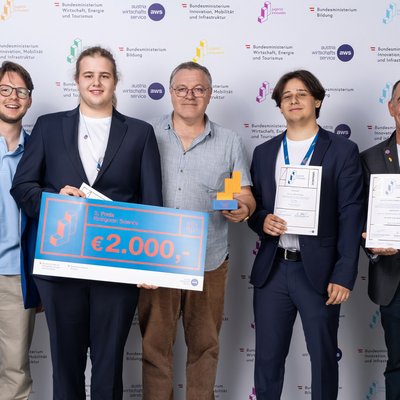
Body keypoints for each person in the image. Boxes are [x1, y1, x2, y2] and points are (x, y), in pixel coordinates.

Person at [11, 47, 162, 400]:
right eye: (89, 75)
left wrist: (150, 264)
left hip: (117, 268)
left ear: (115, 81)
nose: (96, 82)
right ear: (77, 80)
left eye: (104, 75)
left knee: (109, 367)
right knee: (66, 367)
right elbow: (23, 187)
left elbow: (151, 203)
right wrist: (53, 200)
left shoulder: (140, 133)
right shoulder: (49, 126)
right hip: (61, 267)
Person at [138, 61, 255, 400]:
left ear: (210, 94)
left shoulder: (229, 141)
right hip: (156, 259)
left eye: (198, 89)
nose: (190, 95)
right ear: (170, 93)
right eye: (182, 89)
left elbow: (244, 194)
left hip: (209, 260)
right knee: (154, 347)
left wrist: (243, 208)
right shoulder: (146, 134)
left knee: (205, 347)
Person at [248, 70, 364, 400]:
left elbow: (351, 214)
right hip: (273, 270)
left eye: (301, 94)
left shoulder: (342, 150)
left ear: (317, 101)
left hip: (321, 273)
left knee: (324, 358)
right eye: (287, 96)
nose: (294, 100)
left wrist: (344, 274)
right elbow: (255, 208)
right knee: (267, 360)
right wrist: (262, 220)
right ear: (279, 106)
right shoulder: (264, 152)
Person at [0, 61, 40, 400]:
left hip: (17, 276)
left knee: (15, 369)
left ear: (29, 100)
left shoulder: (39, 153)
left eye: (21, 91)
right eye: (5, 89)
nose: (13, 97)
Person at [361, 79, 400, 400]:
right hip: (393, 279)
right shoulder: (371, 159)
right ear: (391, 107)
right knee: (397, 364)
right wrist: (370, 245)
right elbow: (359, 218)